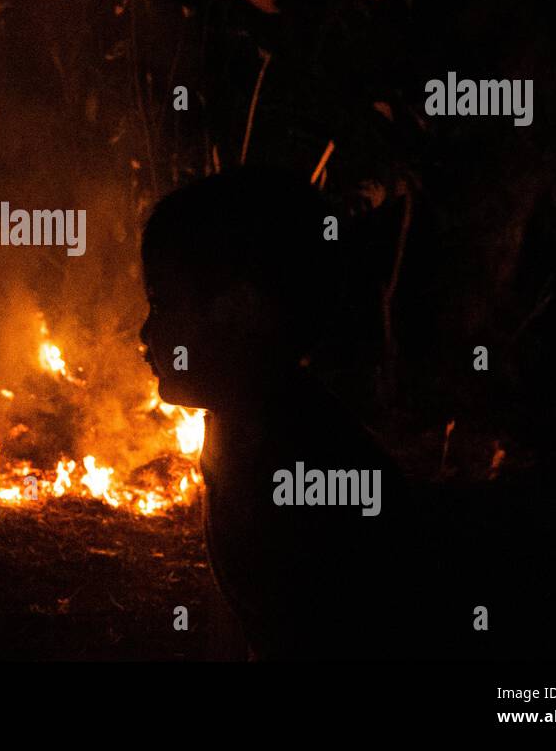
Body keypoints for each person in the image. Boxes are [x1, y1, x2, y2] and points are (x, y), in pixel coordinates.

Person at [140, 166, 422, 660]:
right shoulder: (245, 429)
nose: (145, 334)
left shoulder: (302, 469)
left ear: (242, 310)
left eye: (163, 305)